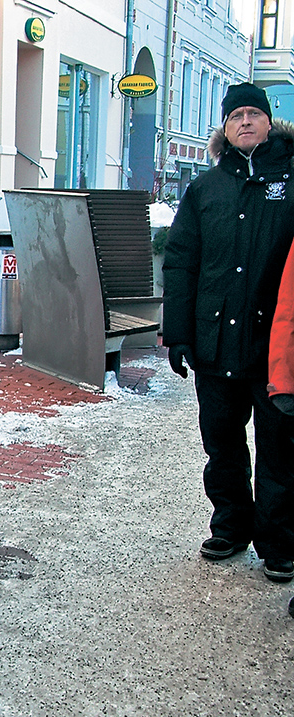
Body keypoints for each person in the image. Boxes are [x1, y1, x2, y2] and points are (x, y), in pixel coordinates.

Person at [163, 82, 294, 583]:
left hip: (275, 346)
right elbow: (181, 263)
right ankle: (231, 526)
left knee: (280, 448)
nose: (244, 121)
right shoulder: (206, 189)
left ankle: (281, 544)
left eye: (252, 114)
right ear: (224, 126)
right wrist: (178, 335)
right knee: (221, 443)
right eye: (235, 114)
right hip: (216, 341)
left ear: (268, 121)